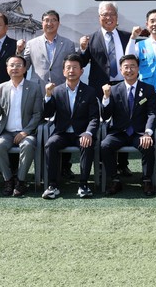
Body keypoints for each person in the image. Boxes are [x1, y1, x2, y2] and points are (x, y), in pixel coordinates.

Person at [78, 1, 133, 177]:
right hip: (100, 88)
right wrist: (82, 49)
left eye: (111, 14)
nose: (108, 18)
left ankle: (123, 164)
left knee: (124, 122)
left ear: (116, 17)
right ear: (99, 17)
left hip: (123, 86)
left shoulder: (127, 37)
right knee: (103, 124)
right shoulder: (91, 39)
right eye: (104, 15)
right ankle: (102, 163)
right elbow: (81, 63)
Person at [41, 54, 99, 200]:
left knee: (87, 144)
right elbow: (48, 114)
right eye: (68, 68)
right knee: (50, 144)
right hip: (62, 133)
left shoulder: (90, 91)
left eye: (75, 67)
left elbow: (94, 118)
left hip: (81, 133)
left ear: (81, 71)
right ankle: (52, 185)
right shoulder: (57, 91)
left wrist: (88, 133)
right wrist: (48, 95)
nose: (71, 70)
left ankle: (83, 184)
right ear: (63, 71)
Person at [100, 54, 156, 196]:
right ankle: (115, 180)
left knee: (148, 144)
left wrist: (147, 133)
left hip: (139, 133)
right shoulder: (113, 89)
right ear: (121, 70)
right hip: (119, 132)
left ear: (138, 69)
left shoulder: (148, 89)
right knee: (105, 146)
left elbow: (152, 114)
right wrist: (106, 98)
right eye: (126, 67)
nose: (129, 70)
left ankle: (147, 180)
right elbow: (106, 116)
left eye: (133, 66)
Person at [0, 55, 43, 197]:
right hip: (7, 132)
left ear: (25, 69)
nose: (15, 68)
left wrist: (26, 132)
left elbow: (38, 114)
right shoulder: (1, 88)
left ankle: (20, 181)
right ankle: (8, 180)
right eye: (11, 65)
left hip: (26, 132)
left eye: (19, 65)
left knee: (28, 145)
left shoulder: (34, 87)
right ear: (7, 69)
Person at [18, 10, 78, 93]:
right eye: (46, 20)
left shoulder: (68, 44)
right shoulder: (31, 44)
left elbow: (73, 67)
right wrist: (20, 51)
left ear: (58, 23)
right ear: (42, 23)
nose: (49, 23)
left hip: (61, 88)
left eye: (53, 20)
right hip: (38, 88)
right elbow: (25, 66)